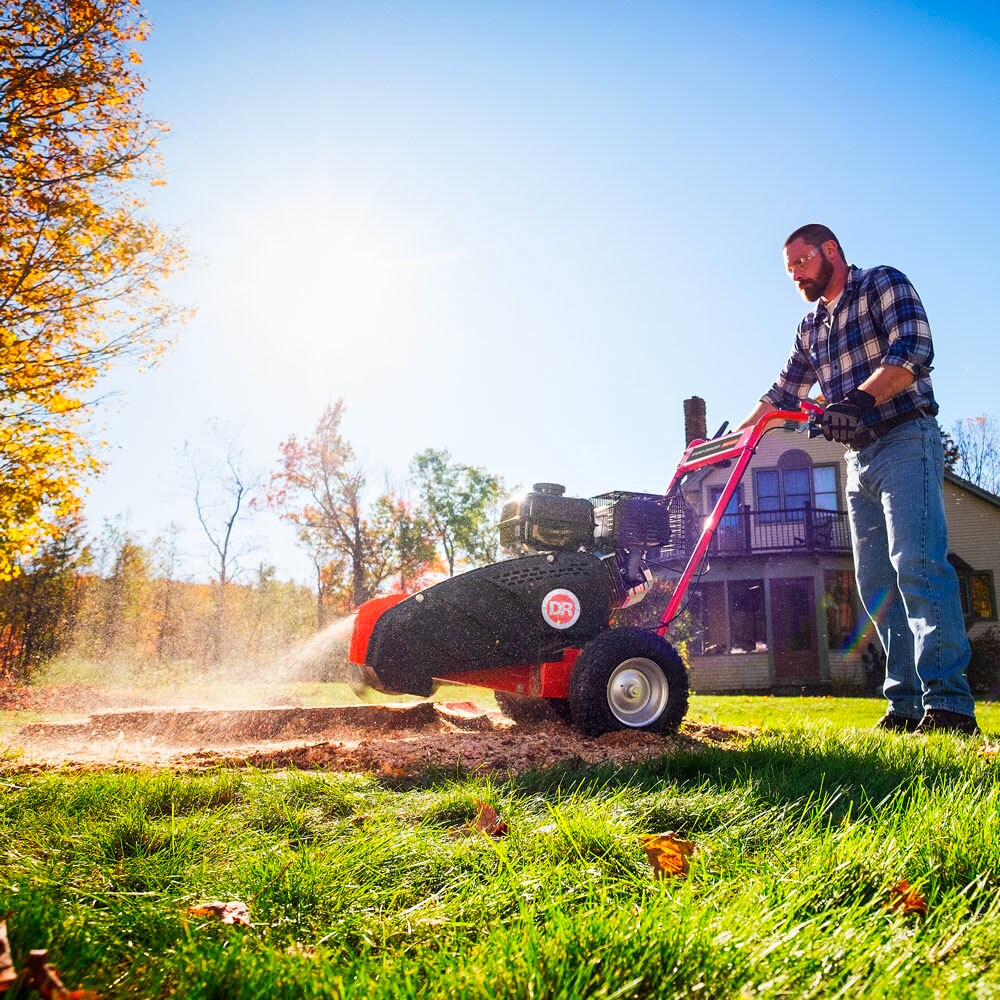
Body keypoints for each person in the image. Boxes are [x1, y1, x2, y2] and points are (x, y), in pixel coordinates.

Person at [739, 223, 978, 735]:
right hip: (859, 460)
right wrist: (732, 442)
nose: (796, 276)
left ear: (830, 251)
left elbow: (912, 351)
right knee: (876, 586)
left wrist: (860, 400)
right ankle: (906, 705)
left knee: (916, 564)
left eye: (801, 263)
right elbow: (782, 394)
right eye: (789, 271)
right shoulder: (810, 327)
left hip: (906, 439)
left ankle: (950, 705)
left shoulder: (881, 284)